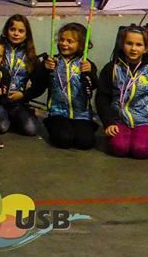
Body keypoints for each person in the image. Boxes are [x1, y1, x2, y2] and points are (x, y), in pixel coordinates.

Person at [37, 22, 99, 150]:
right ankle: (52, 124)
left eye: (70, 41)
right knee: (63, 140)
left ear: (81, 44)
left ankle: (83, 127)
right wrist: (44, 69)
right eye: (62, 40)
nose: (64, 44)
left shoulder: (86, 64)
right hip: (57, 112)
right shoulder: (52, 62)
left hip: (81, 113)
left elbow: (94, 86)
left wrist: (90, 72)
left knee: (85, 142)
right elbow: (39, 85)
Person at [96, 25, 148, 158]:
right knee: (119, 149)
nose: (133, 48)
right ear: (122, 45)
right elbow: (102, 97)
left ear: (146, 48)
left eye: (139, 44)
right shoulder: (112, 68)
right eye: (129, 43)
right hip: (118, 120)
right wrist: (108, 122)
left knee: (141, 150)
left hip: (144, 120)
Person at [0, 15, 43, 136]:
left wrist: (24, 94)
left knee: (31, 129)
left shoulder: (30, 56)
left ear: (27, 35)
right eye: (12, 29)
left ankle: (19, 116)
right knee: (1, 127)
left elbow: (39, 85)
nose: (16, 34)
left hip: (18, 102)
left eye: (21, 31)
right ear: (6, 31)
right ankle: (4, 117)